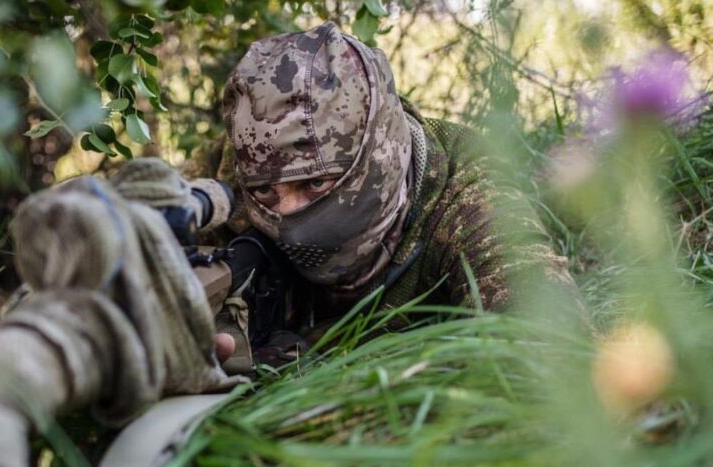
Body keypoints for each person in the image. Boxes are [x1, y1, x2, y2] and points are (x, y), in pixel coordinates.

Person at [186, 22, 583, 363]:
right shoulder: (235, 169)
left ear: (377, 158)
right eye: (266, 191)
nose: (286, 215)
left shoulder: (466, 192)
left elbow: (552, 350)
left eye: (316, 183)